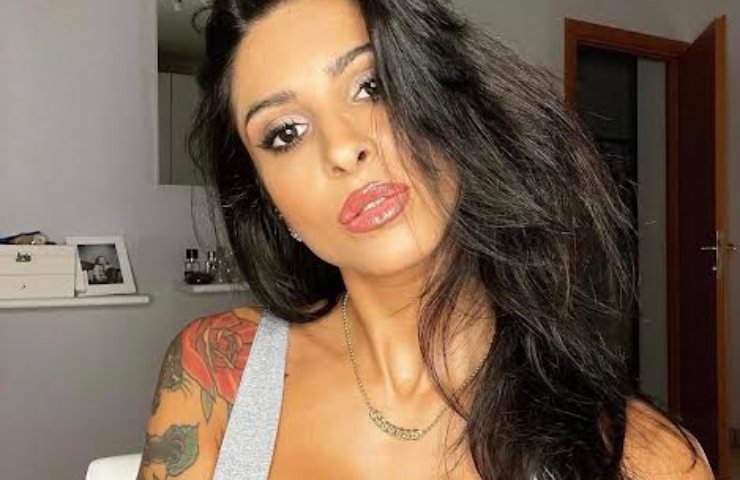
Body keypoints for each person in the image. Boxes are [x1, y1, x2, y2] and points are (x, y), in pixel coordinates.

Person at [136, 0, 713, 478]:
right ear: (269, 200)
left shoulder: (646, 459)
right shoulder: (216, 372)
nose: (343, 148)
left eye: (372, 85)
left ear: (451, 102)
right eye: (286, 132)